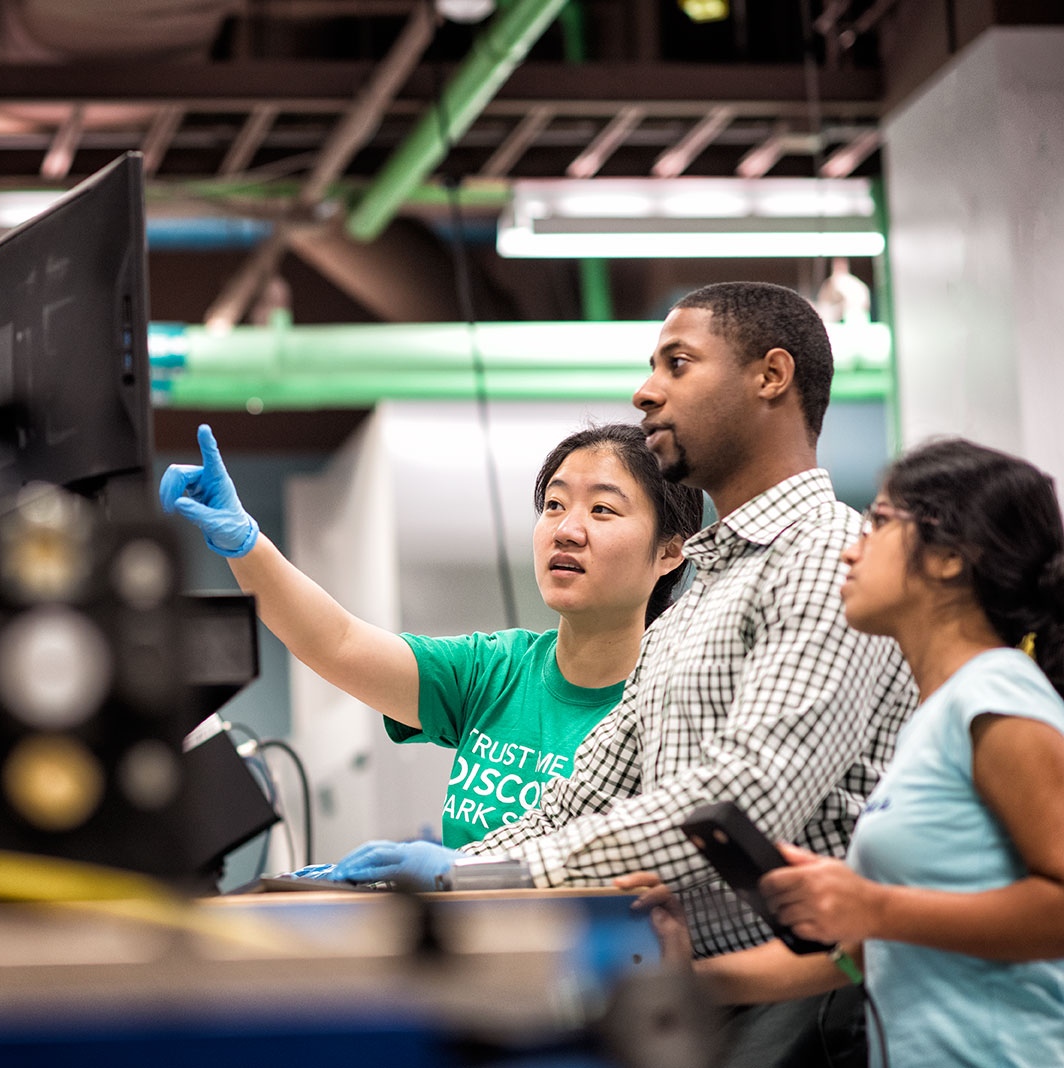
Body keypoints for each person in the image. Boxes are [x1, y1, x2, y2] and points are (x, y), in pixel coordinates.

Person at [328, 282, 917, 1067]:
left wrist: (501, 874)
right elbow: (591, 789)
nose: (646, 392)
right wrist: (458, 872)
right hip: (710, 995)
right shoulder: (703, 590)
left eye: (678, 364)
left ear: (771, 376)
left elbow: (748, 797)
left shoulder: (820, 557)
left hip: (811, 1010)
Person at [624, 438, 1064, 1068]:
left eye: (880, 521)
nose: (852, 547)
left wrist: (872, 904)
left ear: (951, 559)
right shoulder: (933, 715)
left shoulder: (995, 692)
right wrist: (693, 980)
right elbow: (866, 951)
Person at [159, 421, 702, 851]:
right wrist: (246, 543)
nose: (566, 529)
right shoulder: (495, 670)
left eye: (602, 510)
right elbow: (337, 642)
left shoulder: (677, 705)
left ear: (670, 551)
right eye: (554, 505)